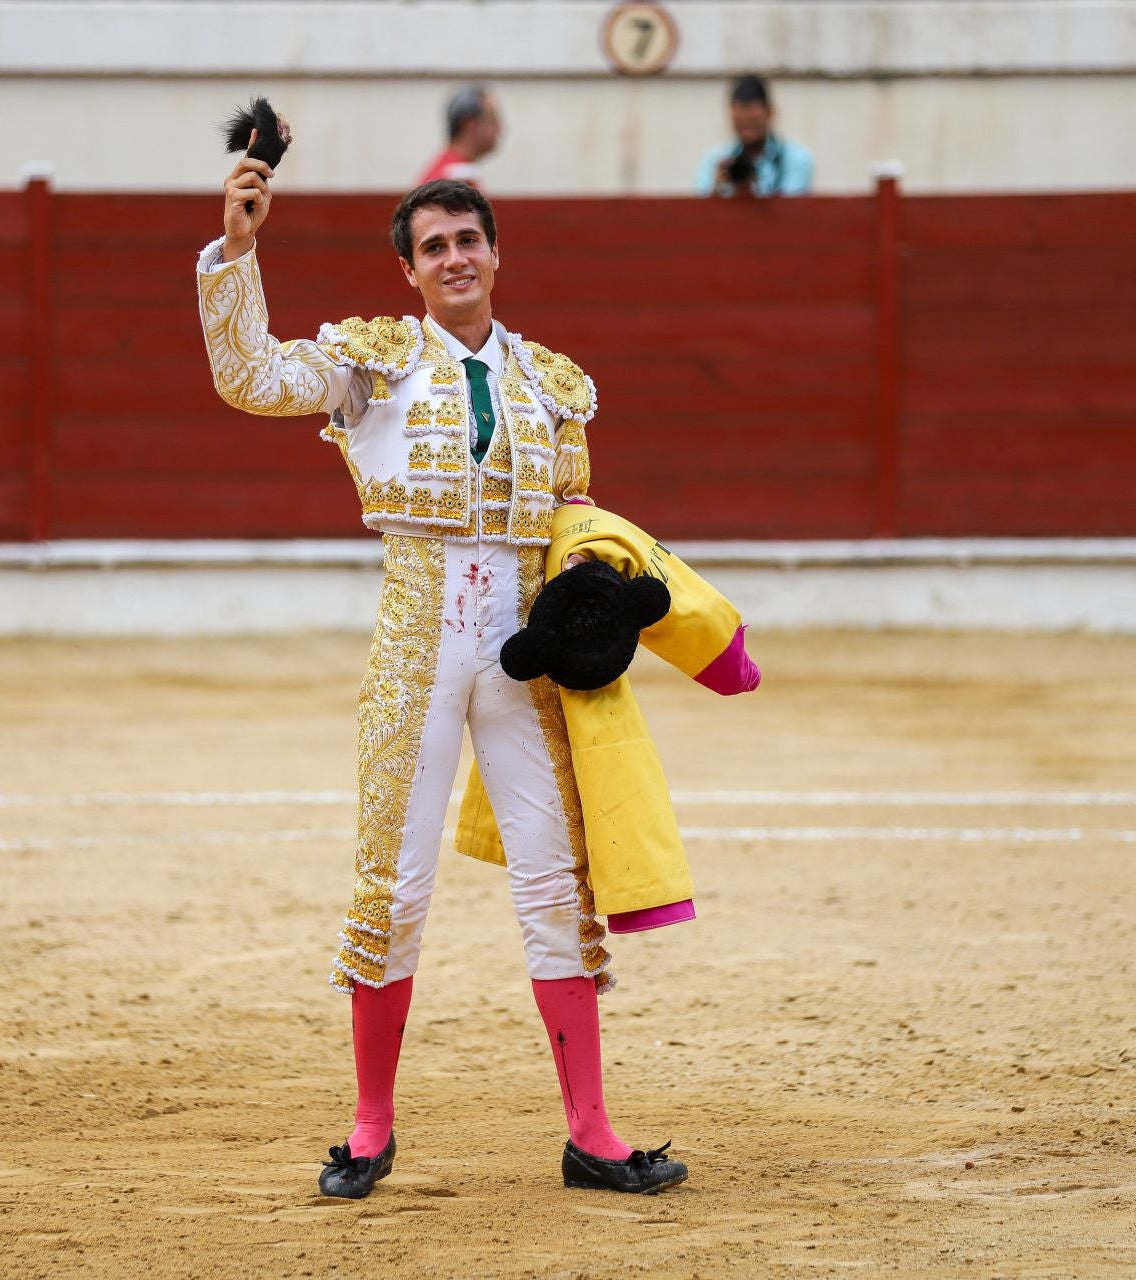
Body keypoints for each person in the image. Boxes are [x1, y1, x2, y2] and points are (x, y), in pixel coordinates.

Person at [196, 145, 687, 1199]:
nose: (455, 257)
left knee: (559, 881)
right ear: (409, 274)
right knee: (395, 882)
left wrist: (595, 597)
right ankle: (370, 1126)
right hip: (419, 637)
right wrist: (237, 252)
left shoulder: (551, 385)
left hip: (523, 650)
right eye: (434, 247)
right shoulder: (371, 363)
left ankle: (591, 1130)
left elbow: (573, 522)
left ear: (496, 255)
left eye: (469, 239)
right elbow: (248, 377)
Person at [695, 75, 813, 197]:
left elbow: (791, 210)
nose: (748, 132)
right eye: (740, 123)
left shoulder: (795, 159)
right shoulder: (715, 161)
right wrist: (715, 192)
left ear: (770, 112)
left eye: (754, 122)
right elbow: (699, 212)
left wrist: (753, 189)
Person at [417, 85, 501, 187]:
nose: (499, 128)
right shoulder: (450, 182)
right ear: (470, 125)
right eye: (492, 119)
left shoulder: (455, 174)